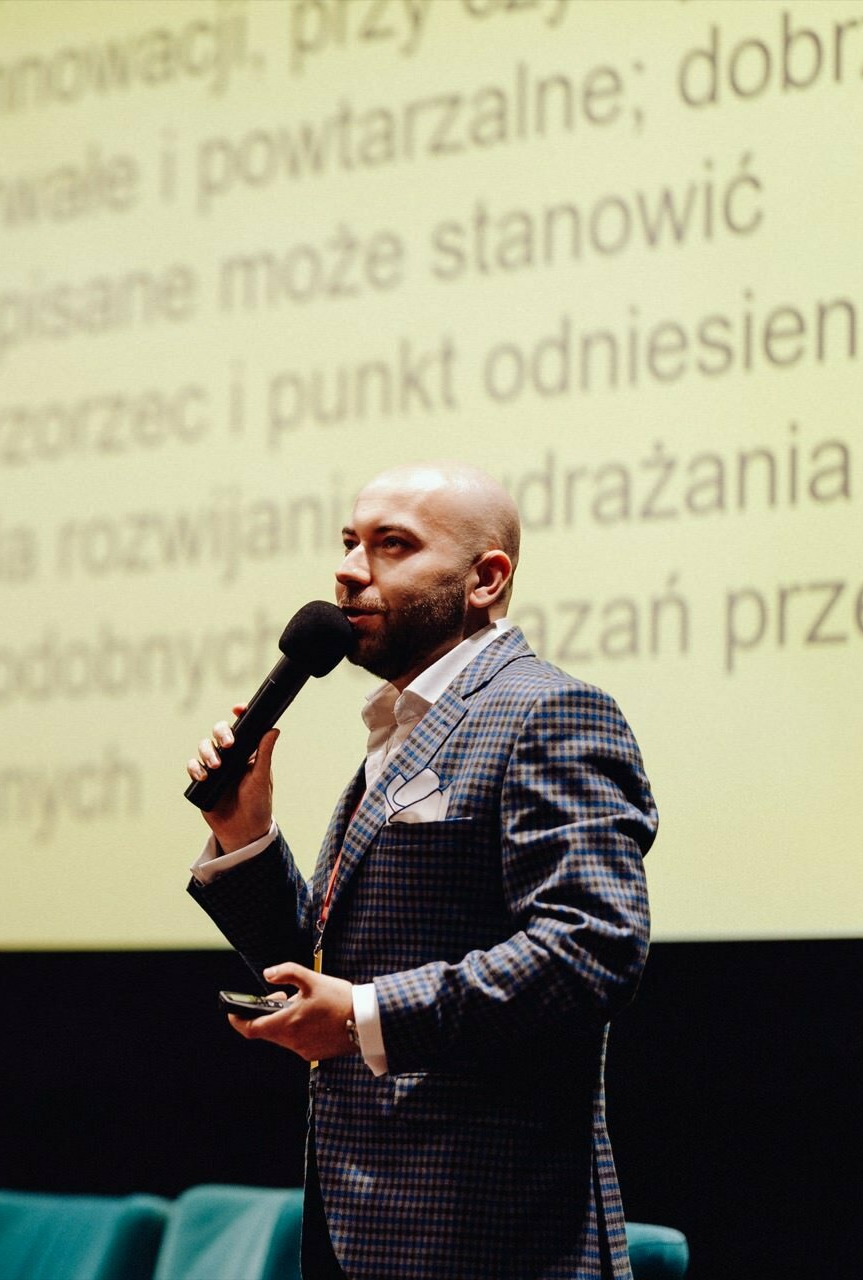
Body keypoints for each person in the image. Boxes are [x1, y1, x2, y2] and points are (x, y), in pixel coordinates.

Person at [184, 462, 656, 1279]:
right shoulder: (400, 730)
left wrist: (368, 1016)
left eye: (391, 545)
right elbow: (328, 967)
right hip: (359, 1226)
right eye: (349, 543)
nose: (348, 569)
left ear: (486, 579)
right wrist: (246, 835)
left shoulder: (548, 711)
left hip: (491, 1240)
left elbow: (591, 949)